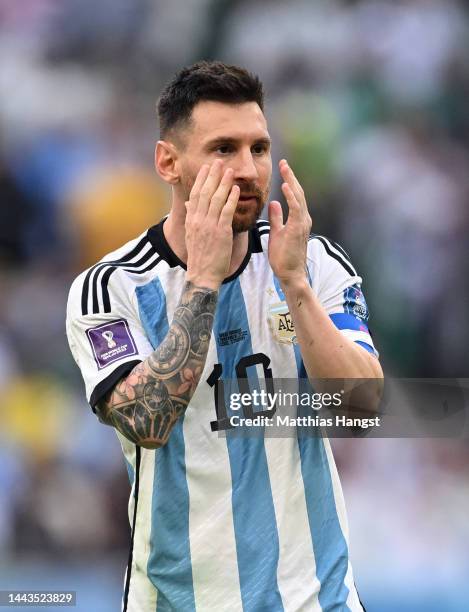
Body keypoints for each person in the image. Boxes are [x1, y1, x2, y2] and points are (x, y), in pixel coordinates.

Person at [66, 61, 383, 612]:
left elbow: (360, 407)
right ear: (169, 162)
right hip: (178, 600)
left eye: (259, 149)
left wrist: (294, 285)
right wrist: (204, 282)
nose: (247, 169)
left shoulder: (313, 263)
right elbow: (147, 423)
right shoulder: (111, 288)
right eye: (223, 149)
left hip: (316, 599)